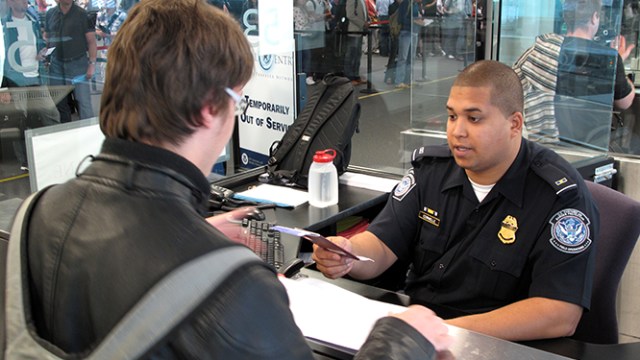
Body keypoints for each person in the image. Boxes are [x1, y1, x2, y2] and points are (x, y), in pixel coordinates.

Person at [17, 0, 451, 358]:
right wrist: (404, 342)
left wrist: (190, 236)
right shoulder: (232, 283)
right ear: (209, 106)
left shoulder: (37, 215)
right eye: (237, 98)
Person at [313, 60, 600, 342]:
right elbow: (382, 244)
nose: (457, 131)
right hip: (420, 331)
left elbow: (559, 314)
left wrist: (446, 331)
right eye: (452, 116)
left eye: (474, 118)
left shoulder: (560, 197)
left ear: (514, 124)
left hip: (494, 343)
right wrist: (348, 255)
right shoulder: (432, 170)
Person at [513, 0, 635, 145]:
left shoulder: (540, 49)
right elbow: (625, 102)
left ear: (566, 17)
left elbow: (514, 82)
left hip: (544, 144)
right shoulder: (607, 56)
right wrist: (618, 63)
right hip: (590, 146)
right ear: (595, 17)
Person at [2, 0, 60, 126]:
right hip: (16, 80)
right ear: (10, 2)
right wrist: (4, 87)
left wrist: (41, 53)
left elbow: (38, 44)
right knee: (19, 119)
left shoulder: (33, 22)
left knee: (52, 115)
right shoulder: (4, 25)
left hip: (36, 78)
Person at [44, 0, 97, 122]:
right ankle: (66, 132)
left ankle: (89, 133)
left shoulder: (83, 14)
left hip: (78, 63)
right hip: (56, 64)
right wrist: (47, 57)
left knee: (83, 102)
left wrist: (92, 64)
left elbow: (91, 42)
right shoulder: (50, 14)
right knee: (59, 102)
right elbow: (48, 38)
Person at [344, 0, 368, 85]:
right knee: (351, 55)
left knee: (357, 55)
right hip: (353, 30)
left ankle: (356, 75)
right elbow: (350, 15)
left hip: (359, 31)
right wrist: (362, 23)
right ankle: (349, 77)